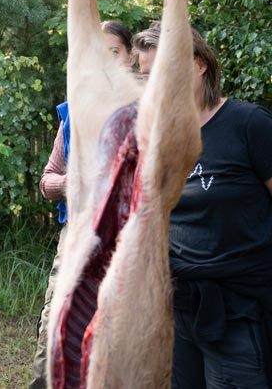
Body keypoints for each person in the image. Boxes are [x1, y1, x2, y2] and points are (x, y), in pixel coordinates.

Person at [134, 22, 272, 388]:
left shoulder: (248, 124)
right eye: (147, 77)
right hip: (178, 310)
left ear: (199, 64)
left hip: (239, 312)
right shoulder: (159, 139)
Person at [28, 20, 133, 389]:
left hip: (127, 240)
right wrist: (75, 182)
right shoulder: (73, 112)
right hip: (76, 234)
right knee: (57, 321)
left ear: (131, 57)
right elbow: (47, 181)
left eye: (114, 53)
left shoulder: (144, 110)